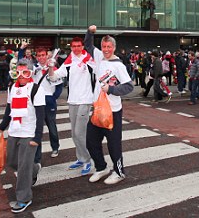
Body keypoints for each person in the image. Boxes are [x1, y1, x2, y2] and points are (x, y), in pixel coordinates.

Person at [84, 25, 134, 185]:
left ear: (114, 48)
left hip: (113, 111)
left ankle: (119, 172)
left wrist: (111, 89)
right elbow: (88, 45)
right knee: (90, 141)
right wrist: (90, 32)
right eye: (104, 46)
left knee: (114, 145)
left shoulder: (118, 65)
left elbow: (129, 86)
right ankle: (101, 167)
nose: (106, 49)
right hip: (97, 109)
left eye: (109, 47)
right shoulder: (99, 57)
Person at [0, 58, 46, 214]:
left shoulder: (36, 89)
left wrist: (37, 137)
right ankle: (34, 169)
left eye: (25, 73)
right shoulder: (12, 88)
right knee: (12, 161)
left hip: (29, 132)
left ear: (31, 73)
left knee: (23, 167)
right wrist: (1, 127)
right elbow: (9, 110)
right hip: (14, 131)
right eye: (18, 73)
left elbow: (41, 116)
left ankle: (24, 198)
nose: (21, 76)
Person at [48, 36, 95, 176]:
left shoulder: (89, 60)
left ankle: (88, 160)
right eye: (74, 46)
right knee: (74, 133)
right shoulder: (69, 61)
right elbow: (53, 77)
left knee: (80, 133)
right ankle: (80, 158)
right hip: (72, 100)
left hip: (85, 100)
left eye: (78, 46)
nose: (76, 48)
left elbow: (100, 73)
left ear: (83, 46)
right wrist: (50, 66)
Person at [19, 46, 62, 160]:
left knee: (51, 126)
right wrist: (21, 50)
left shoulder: (53, 67)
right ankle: (37, 154)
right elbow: (21, 65)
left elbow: (59, 85)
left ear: (46, 56)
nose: (41, 57)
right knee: (37, 127)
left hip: (49, 101)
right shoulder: (33, 68)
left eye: (43, 55)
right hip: (36, 101)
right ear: (36, 57)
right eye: (39, 55)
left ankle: (55, 147)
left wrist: (53, 97)